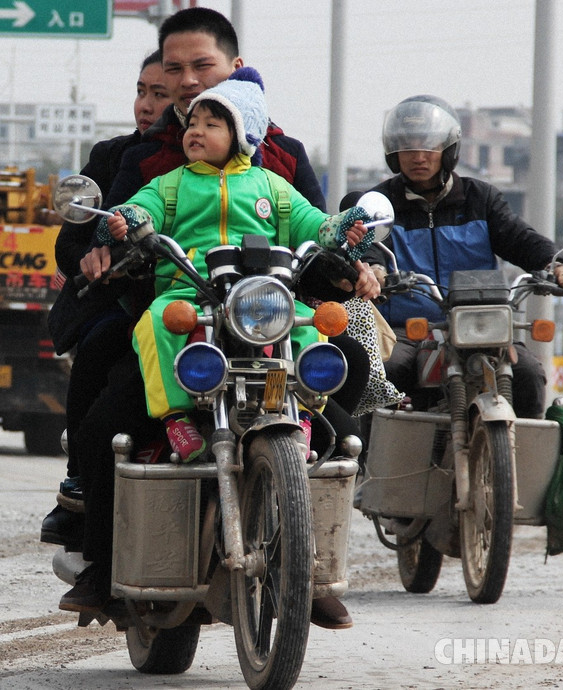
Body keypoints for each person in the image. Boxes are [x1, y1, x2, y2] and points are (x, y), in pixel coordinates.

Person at [61, 12, 374, 627]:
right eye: (174, 70)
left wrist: (349, 251)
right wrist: (116, 235)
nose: (186, 84)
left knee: (344, 390)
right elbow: (121, 218)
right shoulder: (151, 164)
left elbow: (316, 230)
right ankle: (101, 557)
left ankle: (306, 554)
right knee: (108, 415)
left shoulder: (279, 169)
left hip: (266, 312)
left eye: (200, 68)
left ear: (234, 76)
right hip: (183, 310)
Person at [98, 67, 378, 462]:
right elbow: (144, 208)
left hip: (267, 297)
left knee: (310, 327)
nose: (196, 131)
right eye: (193, 123)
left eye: (211, 124)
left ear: (243, 135)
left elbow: (312, 221)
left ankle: (305, 412)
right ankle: (175, 417)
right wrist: (129, 218)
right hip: (190, 292)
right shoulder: (170, 184)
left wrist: (339, 229)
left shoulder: (272, 186)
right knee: (154, 322)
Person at [362, 95, 563, 418]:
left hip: (481, 321)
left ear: (449, 149)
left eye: (429, 147)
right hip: (408, 329)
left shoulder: (480, 198)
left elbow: (518, 238)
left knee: (528, 373)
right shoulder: (379, 203)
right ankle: (368, 449)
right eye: (408, 147)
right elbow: (370, 245)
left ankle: (525, 450)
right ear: (394, 152)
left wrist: (555, 265)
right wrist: (374, 269)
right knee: (386, 370)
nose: (418, 157)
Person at [41, 49, 172, 549]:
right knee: (98, 348)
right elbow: (71, 242)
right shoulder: (117, 157)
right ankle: (79, 481)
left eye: (160, 94)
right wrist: (93, 256)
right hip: (127, 303)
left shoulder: (267, 159)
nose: (146, 105)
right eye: (142, 91)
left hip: (220, 308)